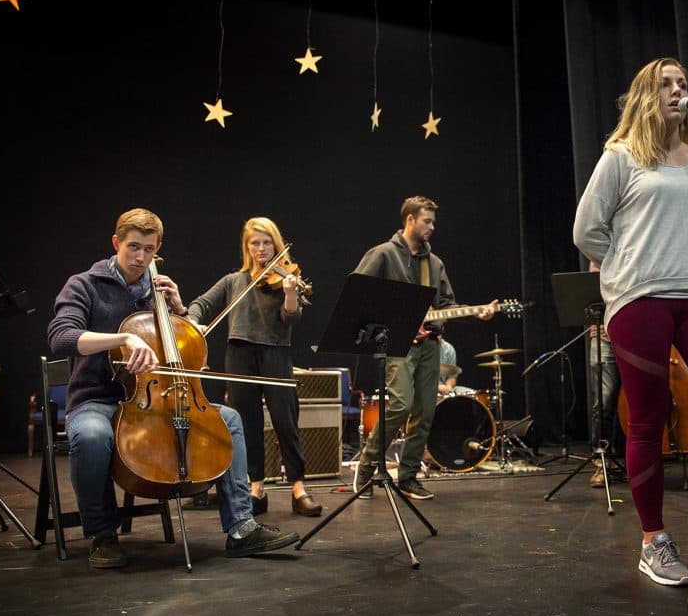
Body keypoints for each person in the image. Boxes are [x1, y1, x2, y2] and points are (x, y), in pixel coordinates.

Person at [572, 57, 688, 587]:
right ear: (644, 96)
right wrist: (631, 266)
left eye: (684, 83)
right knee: (647, 421)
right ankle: (653, 539)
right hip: (641, 300)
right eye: (666, 84)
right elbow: (587, 231)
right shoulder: (621, 157)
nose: (678, 90)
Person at [46, 208, 299, 569]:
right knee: (90, 436)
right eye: (133, 247)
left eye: (149, 250)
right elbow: (62, 337)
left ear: (157, 248)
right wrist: (123, 339)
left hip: (158, 399)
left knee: (227, 419)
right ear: (116, 243)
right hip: (98, 398)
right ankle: (102, 534)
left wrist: (179, 309)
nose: (140, 258)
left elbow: (180, 343)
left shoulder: (158, 290)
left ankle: (242, 526)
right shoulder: (85, 284)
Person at [353, 195, 495, 500]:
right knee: (401, 404)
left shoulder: (435, 263)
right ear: (410, 220)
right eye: (427, 221)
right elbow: (358, 292)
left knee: (425, 411)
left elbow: (446, 305)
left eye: (434, 222)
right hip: (397, 341)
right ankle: (366, 467)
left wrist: (476, 311)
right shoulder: (383, 254)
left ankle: (408, 476)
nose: (432, 227)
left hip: (429, 343)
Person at [186, 217, 322, 518]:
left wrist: (289, 292)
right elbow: (200, 304)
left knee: (286, 421)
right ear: (247, 247)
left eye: (266, 242)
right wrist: (194, 320)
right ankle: (256, 488)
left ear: (276, 243)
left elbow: (291, 318)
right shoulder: (234, 280)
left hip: (275, 353)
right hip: (239, 354)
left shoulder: (285, 278)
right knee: (247, 424)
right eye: (255, 243)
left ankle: (298, 488)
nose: (261, 249)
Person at [586, 260, 624, 488]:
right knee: (603, 401)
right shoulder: (599, 248)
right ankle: (602, 461)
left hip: (636, 332)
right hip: (603, 336)